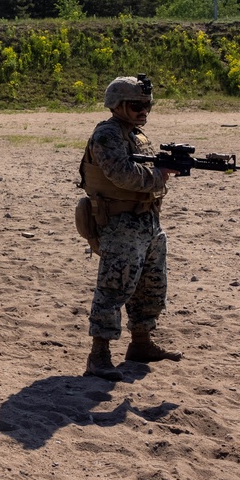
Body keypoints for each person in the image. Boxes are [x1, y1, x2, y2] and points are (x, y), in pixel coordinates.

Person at [78, 74, 182, 382]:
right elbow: (121, 174)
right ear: (118, 105)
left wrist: (162, 175)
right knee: (114, 287)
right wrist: (160, 176)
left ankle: (140, 342)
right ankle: (99, 355)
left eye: (147, 105)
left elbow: (149, 174)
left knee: (151, 284)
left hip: (146, 221)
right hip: (120, 224)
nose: (143, 110)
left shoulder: (136, 135)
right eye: (136, 105)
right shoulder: (108, 135)